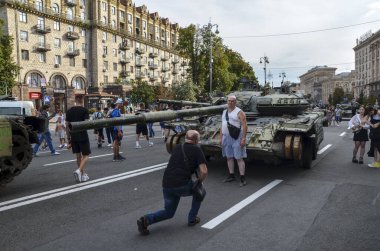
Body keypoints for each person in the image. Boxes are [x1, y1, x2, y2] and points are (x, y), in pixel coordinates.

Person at [137, 130, 208, 235]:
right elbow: (204, 171)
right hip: (181, 185)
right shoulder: (197, 149)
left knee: (168, 212)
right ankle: (192, 219)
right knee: (200, 192)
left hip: (166, 184)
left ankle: (146, 220)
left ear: (186, 138)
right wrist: (199, 181)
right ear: (196, 140)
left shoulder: (178, 147)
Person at [220, 95, 248, 187]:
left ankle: (242, 177)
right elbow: (222, 125)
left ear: (235, 102)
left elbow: (244, 125)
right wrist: (220, 138)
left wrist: (243, 138)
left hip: (237, 137)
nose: (230, 102)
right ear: (227, 101)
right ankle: (231, 175)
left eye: (232, 101)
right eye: (229, 101)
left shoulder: (239, 112)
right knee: (229, 157)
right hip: (226, 137)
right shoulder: (224, 112)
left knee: (239, 158)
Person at [66, 96, 91, 182]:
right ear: (82, 101)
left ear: (75, 101)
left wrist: (68, 138)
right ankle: (79, 170)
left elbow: (67, 126)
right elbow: (86, 124)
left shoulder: (69, 111)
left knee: (78, 156)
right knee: (86, 155)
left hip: (73, 136)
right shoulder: (84, 110)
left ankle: (82, 175)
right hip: (82, 135)